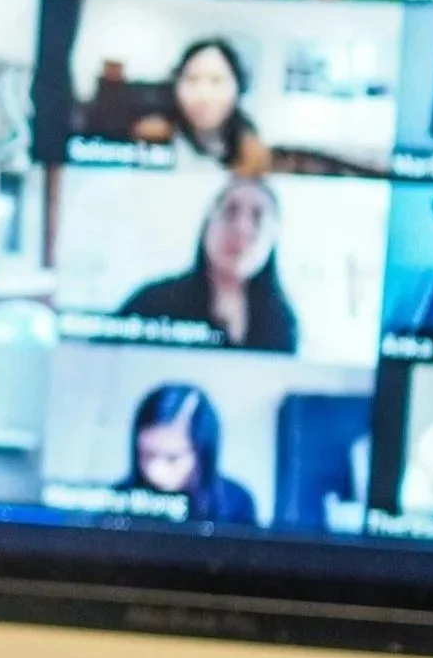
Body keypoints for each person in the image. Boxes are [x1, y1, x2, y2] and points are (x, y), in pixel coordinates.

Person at [118, 178, 299, 353]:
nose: (241, 229)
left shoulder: (282, 323)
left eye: (258, 218)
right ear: (207, 224)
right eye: (230, 212)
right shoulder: (150, 304)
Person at [121, 384, 259, 526]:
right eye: (146, 455)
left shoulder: (235, 502)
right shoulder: (117, 501)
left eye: (172, 458)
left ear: (202, 455)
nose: (155, 470)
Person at [130, 39, 271, 176]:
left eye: (216, 80)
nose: (203, 95)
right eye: (192, 79)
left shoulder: (251, 150)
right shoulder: (153, 133)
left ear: (239, 87)